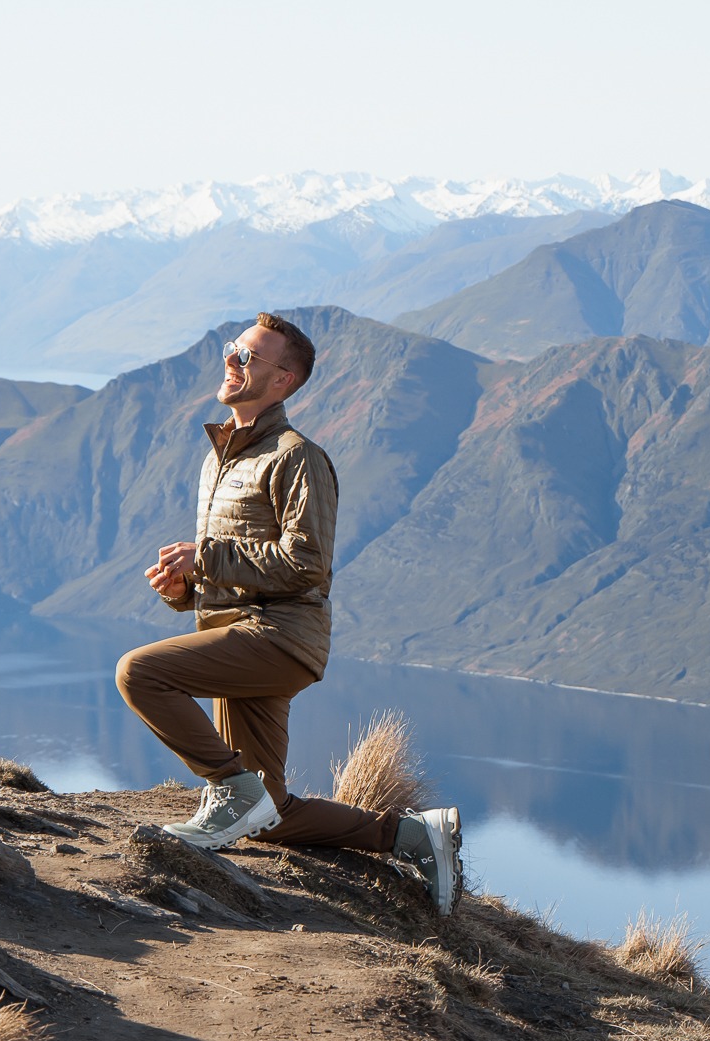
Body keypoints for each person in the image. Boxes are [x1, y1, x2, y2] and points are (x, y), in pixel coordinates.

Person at [117, 312, 466, 912]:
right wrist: (185, 588)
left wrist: (207, 557)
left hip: (279, 640)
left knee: (140, 673)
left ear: (283, 380)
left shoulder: (297, 457)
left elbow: (307, 565)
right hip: (239, 637)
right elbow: (235, 568)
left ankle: (229, 789)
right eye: (232, 349)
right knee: (268, 816)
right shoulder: (220, 458)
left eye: (247, 356)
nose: (231, 360)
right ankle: (412, 835)